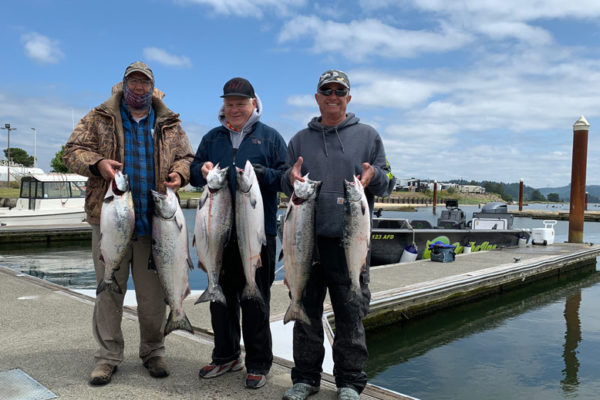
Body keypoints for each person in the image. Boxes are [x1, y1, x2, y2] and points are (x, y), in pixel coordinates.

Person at [63, 61, 194, 386]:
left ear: (152, 86)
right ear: (123, 84)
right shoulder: (99, 117)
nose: (138, 87)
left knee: (153, 299)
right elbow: (71, 151)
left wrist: (180, 174)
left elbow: (186, 157)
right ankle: (107, 358)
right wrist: (97, 163)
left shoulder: (169, 122)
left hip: (156, 225)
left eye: (144, 82)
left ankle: (153, 352)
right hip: (109, 222)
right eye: (133, 81)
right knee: (109, 294)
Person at [281, 70, 391, 400]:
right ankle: (306, 378)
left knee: (350, 315)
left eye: (339, 91)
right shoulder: (300, 139)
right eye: (326, 90)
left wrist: (376, 178)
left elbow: (388, 180)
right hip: (305, 243)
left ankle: (349, 382)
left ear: (348, 97)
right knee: (305, 314)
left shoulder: (369, 136)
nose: (332, 95)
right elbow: (286, 181)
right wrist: (290, 178)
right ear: (317, 97)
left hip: (350, 244)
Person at [190, 77, 287, 389]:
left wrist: (263, 175)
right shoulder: (211, 138)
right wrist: (201, 171)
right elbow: (194, 174)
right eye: (229, 103)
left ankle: (258, 363)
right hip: (218, 233)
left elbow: (287, 179)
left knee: (255, 299)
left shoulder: (270, 138)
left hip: (257, 233)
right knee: (221, 299)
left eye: (240, 103)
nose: (233, 109)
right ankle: (226, 356)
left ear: (253, 104)